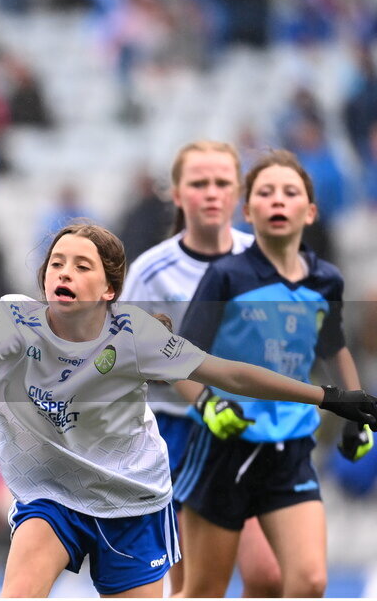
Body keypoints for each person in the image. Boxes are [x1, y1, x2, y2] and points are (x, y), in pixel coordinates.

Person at [0, 222, 377, 598]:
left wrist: (329, 397)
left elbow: (231, 374)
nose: (64, 272)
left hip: (131, 502)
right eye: (57, 263)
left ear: (109, 289)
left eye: (81, 265)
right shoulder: (21, 323)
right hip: (53, 497)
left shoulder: (137, 336)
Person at [172, 150, 371, 598]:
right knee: (203, 590)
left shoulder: (327, 282)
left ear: (310, 210)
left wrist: (357, 417)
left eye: (290, 192)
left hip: (291, 448)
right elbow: (178, 359)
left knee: (310, 582)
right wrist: (207, 404)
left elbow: (334, 346)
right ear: (248, 211)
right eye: (265, 192)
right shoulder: (226, 277)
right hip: (224, 448)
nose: (278, 200)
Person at [118, 140, 273, 595]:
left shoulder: (262, 260)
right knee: (193, 584)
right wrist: (203, 399)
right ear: (178, 194)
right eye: (199, 183)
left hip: (251, 428)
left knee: (269, 576)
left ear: (239, 193)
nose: (211, 193)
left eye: (222, 183)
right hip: (179, 435)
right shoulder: (151, 270)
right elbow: (135, 355)